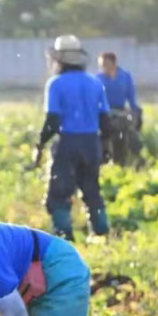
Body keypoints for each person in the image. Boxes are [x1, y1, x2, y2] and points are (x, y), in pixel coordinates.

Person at [32, 35, 111, 242]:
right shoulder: (95, 83)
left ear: (59, 60)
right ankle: (101, 231)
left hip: (68, 141)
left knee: (59, 193)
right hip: (92, 142)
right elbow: (105, 119)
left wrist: (40, 143)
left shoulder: (56, 84)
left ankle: (64, 236)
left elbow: (53, 120)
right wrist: (106, 145)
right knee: (92, 189)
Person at [96, 52, 144, 167]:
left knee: (132, 134)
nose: (104, 68)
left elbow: (131, 98)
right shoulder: (98, 79)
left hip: (121, 111)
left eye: (106, 64)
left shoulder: (125, 77)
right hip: (104, 112)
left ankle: (135, 158)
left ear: (114, 64)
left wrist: (135, 112)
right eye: (102, 65)